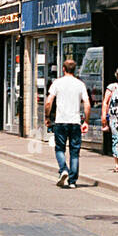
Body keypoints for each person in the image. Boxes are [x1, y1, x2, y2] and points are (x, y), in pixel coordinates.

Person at [45, 58, 90, 188]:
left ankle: (63, 169)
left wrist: (47, 117)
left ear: (63, 69)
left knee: (59, 148)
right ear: (75, 70)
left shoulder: (57, 83)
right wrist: (86, 121)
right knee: (75, 152)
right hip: (75, 122)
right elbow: (87, 104)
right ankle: (72, 181)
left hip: (60, 121)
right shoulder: (80, 84)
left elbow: (48, 102)